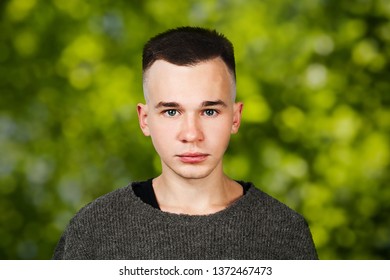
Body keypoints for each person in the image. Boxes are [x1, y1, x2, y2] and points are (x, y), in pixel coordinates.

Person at [53, 26, 318, 260]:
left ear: (235, 118)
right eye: (171, 111)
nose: (191, 134)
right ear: (145, 119)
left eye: (209, 111)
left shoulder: (284, 232)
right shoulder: (93, 231)